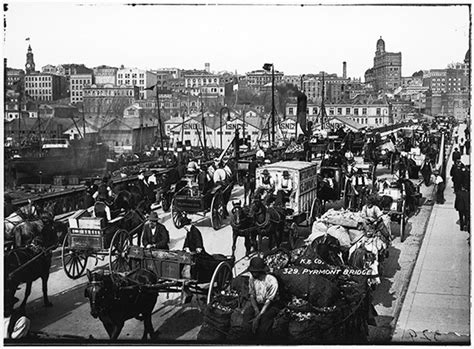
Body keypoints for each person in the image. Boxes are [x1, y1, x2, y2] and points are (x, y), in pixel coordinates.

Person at [246, 257, 282, 339]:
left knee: (264, 321)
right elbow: (252, 295)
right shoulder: (252, 278)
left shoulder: (271, 281)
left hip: (271, 305)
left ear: (259, 271)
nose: (252, 273)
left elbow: (269, 301)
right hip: (258, 303)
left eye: (254, 272)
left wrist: (258, 317)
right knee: (247, 316)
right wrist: (256, 309)